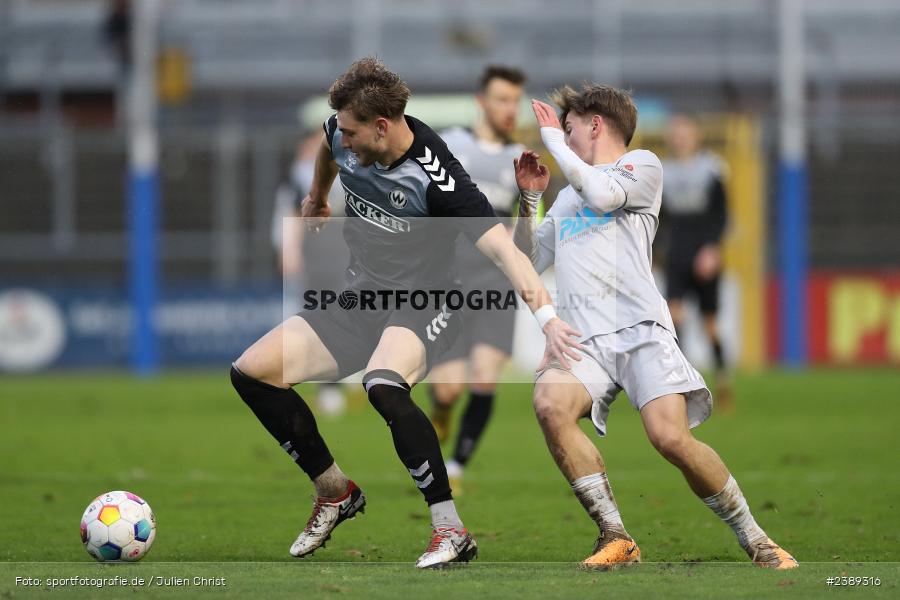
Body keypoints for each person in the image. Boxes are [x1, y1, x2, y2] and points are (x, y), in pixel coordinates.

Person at [230, 57, 582, 569]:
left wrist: (549, 323)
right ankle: (334, 492)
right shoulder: (341, 131)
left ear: (382, 126)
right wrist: (316, 198)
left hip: (428, 302)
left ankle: (450, 530)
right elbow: (330, 153)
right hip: (362, 297)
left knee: (383, 385)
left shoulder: (439, 177)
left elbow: (510, 255)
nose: (341, 140)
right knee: (252, 373)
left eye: (352, 133)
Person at [513, 84, 797, 569]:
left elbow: (602, 195)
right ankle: (616, 536)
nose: (562, 135)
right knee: (548, 404)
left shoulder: (642, 165)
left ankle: (757, 538)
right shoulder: (566, 198)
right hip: (586, 339)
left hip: (641, 329)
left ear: (596, 125)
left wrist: (554, 145)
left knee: (670, 438)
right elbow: (528, 258)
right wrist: (531, 199)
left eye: (570, 127)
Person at [428, 65, 527, 492]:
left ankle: (458, 467)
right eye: (502, 99)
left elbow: (530, 230)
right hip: (447, 282)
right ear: (481, 101)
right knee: (448, 390)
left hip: (495, 283)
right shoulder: (450, 145)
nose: (510, 108)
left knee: (485, 376)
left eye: (515, 100)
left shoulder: (522, 159)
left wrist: (517, 230)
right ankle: (443, 411)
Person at [273, 134, 349, 417]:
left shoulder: (359, 165)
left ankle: (342, 381)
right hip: (317, 260)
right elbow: (292, 212)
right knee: (319, 322)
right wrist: (289, 249)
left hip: (349, 257)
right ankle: (327, 386)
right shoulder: (302, 173)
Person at [661, 114, 732, 409]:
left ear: (695, 136)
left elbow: (721, 214)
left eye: (684, 133)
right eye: (675, 134)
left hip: (704, 251)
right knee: (675, 319)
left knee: (710, 324)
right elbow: (660, 218)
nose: (680, 138)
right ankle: (685, 385)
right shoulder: (661, 170)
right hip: (677, 251)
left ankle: (723, 379)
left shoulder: (712, 168)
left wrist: (712, 250)